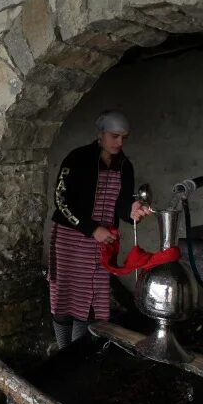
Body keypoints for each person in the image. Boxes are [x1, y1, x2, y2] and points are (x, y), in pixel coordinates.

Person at [48, 111, 151, 348]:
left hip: (102, 243)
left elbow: (124, 202)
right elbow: (61, 201)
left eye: (124, 137)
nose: (120, 143)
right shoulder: (77, 159)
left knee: (90, 300)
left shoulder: (125, 166)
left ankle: (76, 352)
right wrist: (92, 229)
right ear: (101, 134)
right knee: (64, 296)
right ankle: (64, 349)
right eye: (115, 136)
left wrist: (133, 210)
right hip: (70, 238)